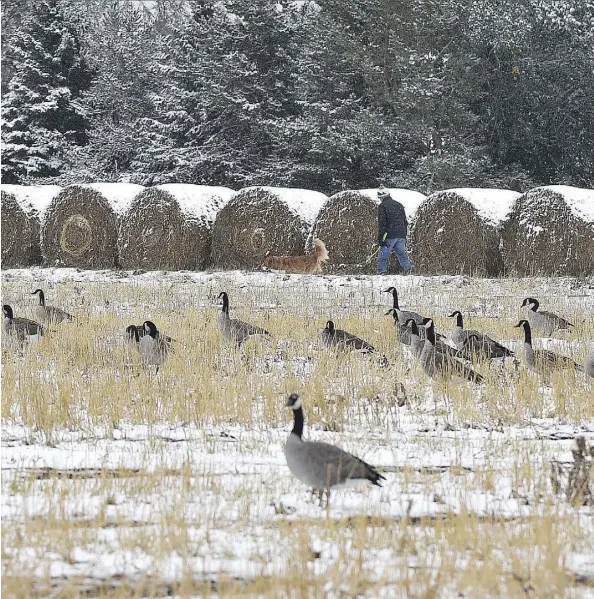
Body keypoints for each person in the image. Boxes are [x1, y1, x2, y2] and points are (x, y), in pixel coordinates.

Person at [376, 187, 414, 275]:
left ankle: (381, 271)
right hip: (401, 234)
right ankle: (409, 269)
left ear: (381, 197)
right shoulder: (399, 204)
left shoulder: (382, 206)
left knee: (383, 254)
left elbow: (382, 222)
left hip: (389, 234)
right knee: (401, 254)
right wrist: (404, 234)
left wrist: (381, 237)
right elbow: (405, 221)